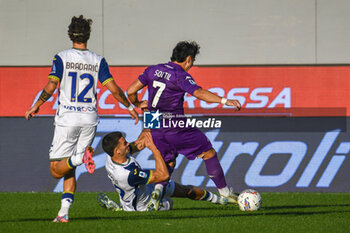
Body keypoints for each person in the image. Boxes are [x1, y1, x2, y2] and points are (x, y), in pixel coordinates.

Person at [24, 15, 141, 222]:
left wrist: (36, 104)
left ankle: (79, 158)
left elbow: (52, 85)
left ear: (70, 34)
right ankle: (63, 214)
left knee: (56, 170)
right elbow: (113, 89)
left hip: (68, 118)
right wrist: (130, 107)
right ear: (88, 36)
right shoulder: (98, 60)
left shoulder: (61, 57)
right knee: (70, 168)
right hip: (89, 119)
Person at [126, 41, 242, 208]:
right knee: (208, 152)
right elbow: (199, 92)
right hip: (174, 124)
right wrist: (225, 100)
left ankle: (158, 190)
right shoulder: (180, 75)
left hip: (154, 121)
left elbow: (130, 91)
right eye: (193, 60)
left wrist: (137, 104)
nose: (192, 64)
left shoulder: (153, 69)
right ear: (188, 59)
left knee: (168, 162)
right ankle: (225, 193)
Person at [98, 131, 227, 212]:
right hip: (142, 207)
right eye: (124, 143)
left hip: (143, 185)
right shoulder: (127, 174)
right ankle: (130, 207)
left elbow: (139, 143)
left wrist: (149, 131)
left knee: (186, 190)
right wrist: (155, 149)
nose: (128, 144)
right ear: (118, 151)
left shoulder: (111, 156)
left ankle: (221, 201)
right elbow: (163, 175)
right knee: (169, 203)